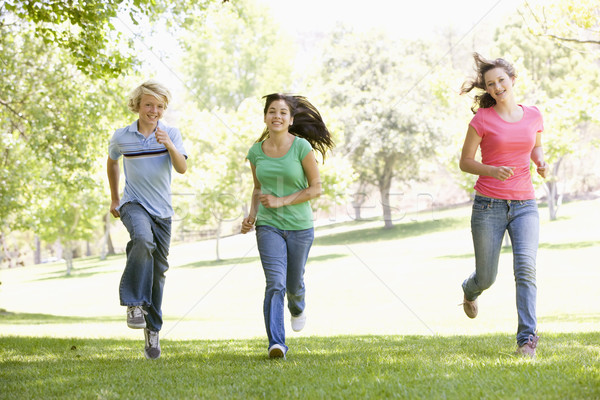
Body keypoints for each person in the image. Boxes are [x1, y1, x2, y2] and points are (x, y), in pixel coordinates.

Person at [459, 53, 548, 357]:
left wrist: (541, 162)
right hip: (489, 206)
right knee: (487, 276)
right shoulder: (482, 119)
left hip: (525, 204)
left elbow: (535, 147)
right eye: (490, 84)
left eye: (501, 80)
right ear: (486, 89)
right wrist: (492, 170)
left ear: (512, 79)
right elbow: (466, 162)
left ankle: (527, 340)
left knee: (526, 269)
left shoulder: (534, 114)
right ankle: (470, 290)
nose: (497, 86)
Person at [241, 93, 334, 359]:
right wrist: (251, 216)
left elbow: (315, 188)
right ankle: (276, 343)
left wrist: (282, 201)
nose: (277, 116)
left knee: (293, 284)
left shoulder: (301, 147)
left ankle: (297, 306)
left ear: (291, 119)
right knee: (274, 283)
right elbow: (258, 189)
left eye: (283, 112)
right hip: (268, 226)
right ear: (265, 117)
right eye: (272, 111)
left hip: (300, 227)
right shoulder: (256, 152)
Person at [107, 80, 187, 359]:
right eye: (149, 104)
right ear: (138, 105)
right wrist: (115, 198)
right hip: (133, 203)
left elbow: (182, 168)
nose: (154, 110)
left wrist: (169, 145)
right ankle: (133, 303)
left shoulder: (171, 133)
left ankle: (152, 331)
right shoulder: (122, 136)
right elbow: (112, 160)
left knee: (158, 272)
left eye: (160, 106)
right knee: (141, 239)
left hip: (163, 212)